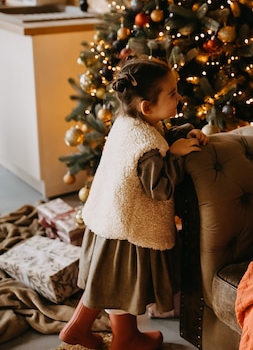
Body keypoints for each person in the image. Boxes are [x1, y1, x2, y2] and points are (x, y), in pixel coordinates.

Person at [59, 57, 208, 350]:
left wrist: (184, 132)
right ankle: (111, 336)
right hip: (129, 232)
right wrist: (176, 157)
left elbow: (161, 134)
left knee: (109, 285)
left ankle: (117, 335)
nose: (179, 97)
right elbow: (161, 188)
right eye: (173, 93)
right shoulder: (149, 149)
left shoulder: (130, 123)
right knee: (117, 287)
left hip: (109, 222)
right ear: (147, 107)